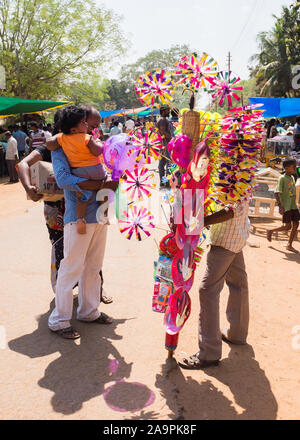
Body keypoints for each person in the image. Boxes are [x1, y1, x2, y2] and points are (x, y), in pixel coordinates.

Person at [17, 106, 114, 304]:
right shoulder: (55, 146)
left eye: (94, 126)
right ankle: (63, 297)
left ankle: (94, 292)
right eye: (89, 124)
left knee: (92, 253)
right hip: (59, 208)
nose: (92, 129)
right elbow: (23, 164)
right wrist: (28, 188)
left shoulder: (87, 143)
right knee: (63, 252)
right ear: (75, 125)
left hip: (89, 205)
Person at [48, 120, 119, 339]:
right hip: (77, 218)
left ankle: (89, 311)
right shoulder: (61, 147)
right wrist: (100, 185)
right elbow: (63, 179)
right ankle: (59, 320)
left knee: (94, 266)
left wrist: (112, 177)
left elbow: (109, 165)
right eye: (87, 121)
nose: (90, 126)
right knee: (71, 268)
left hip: (100, 212)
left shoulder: (92, 144)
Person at [178, 201, 250, 369]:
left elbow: (230, 209)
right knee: (238, 285)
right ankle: (237, 333)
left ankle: (209, 353)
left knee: (207, 291)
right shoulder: (243, 175)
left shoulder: (236, 174)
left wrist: (200, 222)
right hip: (236, 237)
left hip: (225, 240)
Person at [46, 106, 105, 235]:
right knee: (76, 256)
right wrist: (101, 185)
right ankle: (86, 217)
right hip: (78, 222)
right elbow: (63, 180)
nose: (95, 129)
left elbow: (49, 143)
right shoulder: (82, 140)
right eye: (91, 125)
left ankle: (87, 217)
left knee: (82, 196)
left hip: (96, 220)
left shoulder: (63, 140)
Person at [267, 159, 300, 253]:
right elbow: (276, 193)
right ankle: (271, 230)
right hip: (286, 206)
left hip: (293, 206)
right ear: (286, 168)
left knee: (296, 224)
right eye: (293, 166)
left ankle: (289, 245)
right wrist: (280, 206)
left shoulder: (292, 178)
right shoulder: (282, 178)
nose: (295, 167)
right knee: (287, 227)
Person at [157, 106, 173, 188]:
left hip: (163, 144)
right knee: (167, 163)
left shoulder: (161, 119)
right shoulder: (162, 120)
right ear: (163, 111)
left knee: (163, 163)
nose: (169, 111)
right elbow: (163, 132)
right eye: (168, 110)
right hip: (165, 144)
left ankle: (163, 182)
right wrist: (172, 138)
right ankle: (166, 182)